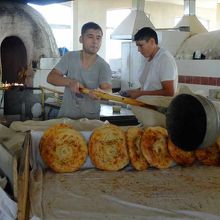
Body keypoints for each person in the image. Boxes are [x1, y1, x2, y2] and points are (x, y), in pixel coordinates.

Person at [47, 22, 112, 119]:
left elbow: (108, 90)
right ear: (81, 39)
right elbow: (51, 77)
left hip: (90, 122)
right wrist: (70, 82)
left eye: (98, 38)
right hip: (66, 119)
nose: (95, 41)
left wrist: (101, 93)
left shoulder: (103, 66)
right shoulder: (70, 57)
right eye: (90, 37)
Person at [120, 27, 178, 99]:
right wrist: (131, 92)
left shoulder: (165, 59)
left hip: (159, 108)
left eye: (141, 45)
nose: (138, 50)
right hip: (145, 105)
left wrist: (141, 94)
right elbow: (147, 88)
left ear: (152, 42)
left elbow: (169, 92)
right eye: (137, 46)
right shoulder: (146, 59)